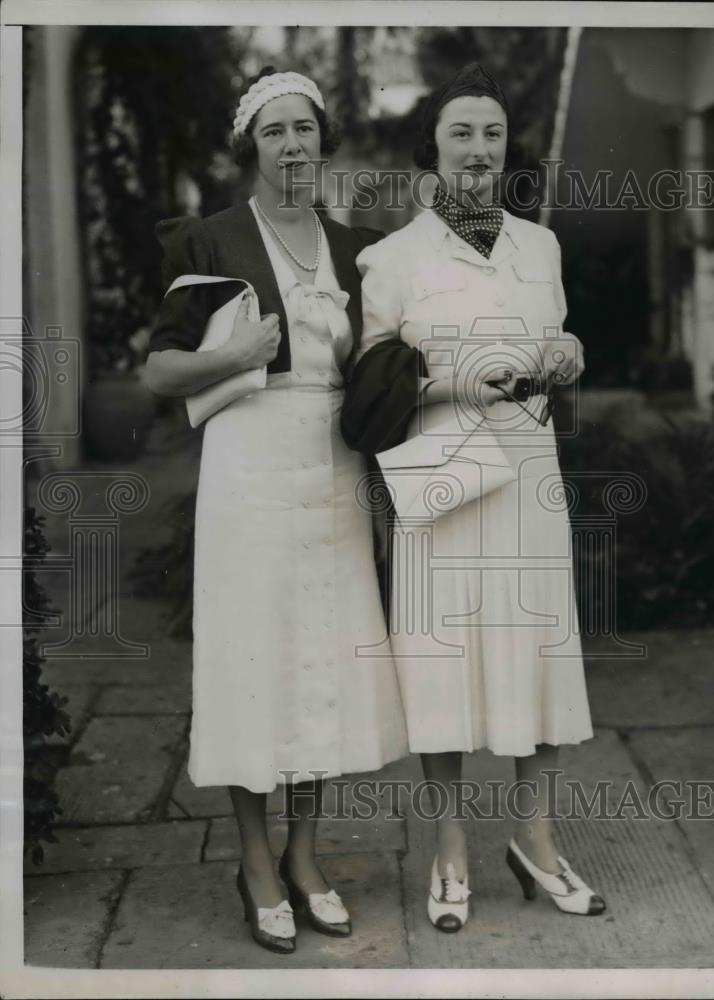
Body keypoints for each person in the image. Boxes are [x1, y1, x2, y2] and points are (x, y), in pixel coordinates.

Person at [145, 67, 408, 954]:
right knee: (253, 661)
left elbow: (378, 365)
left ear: (321, 139)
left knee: (321, 662)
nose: (292, 146)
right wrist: (242, 352)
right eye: (273, 132)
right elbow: (158, 371)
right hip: (248, 466)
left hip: (330, 466)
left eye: (304, 129)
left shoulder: (356, 249)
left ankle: (305, 856)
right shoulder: (211, 239)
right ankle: (255, 862)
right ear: (249, 149)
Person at [341, 62, 605, 932]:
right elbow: (372, 387)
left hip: (528, 474)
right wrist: (454, 378)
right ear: (433, 151)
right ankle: (448, 856)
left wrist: (564, 351)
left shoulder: (540, 245)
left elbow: (553, 336)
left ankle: (535, 843)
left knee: (537, 655)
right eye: (462, 133)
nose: (479, 150)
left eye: (491, 133)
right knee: (442, 664)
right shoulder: (391, 257)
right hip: (443, 480)